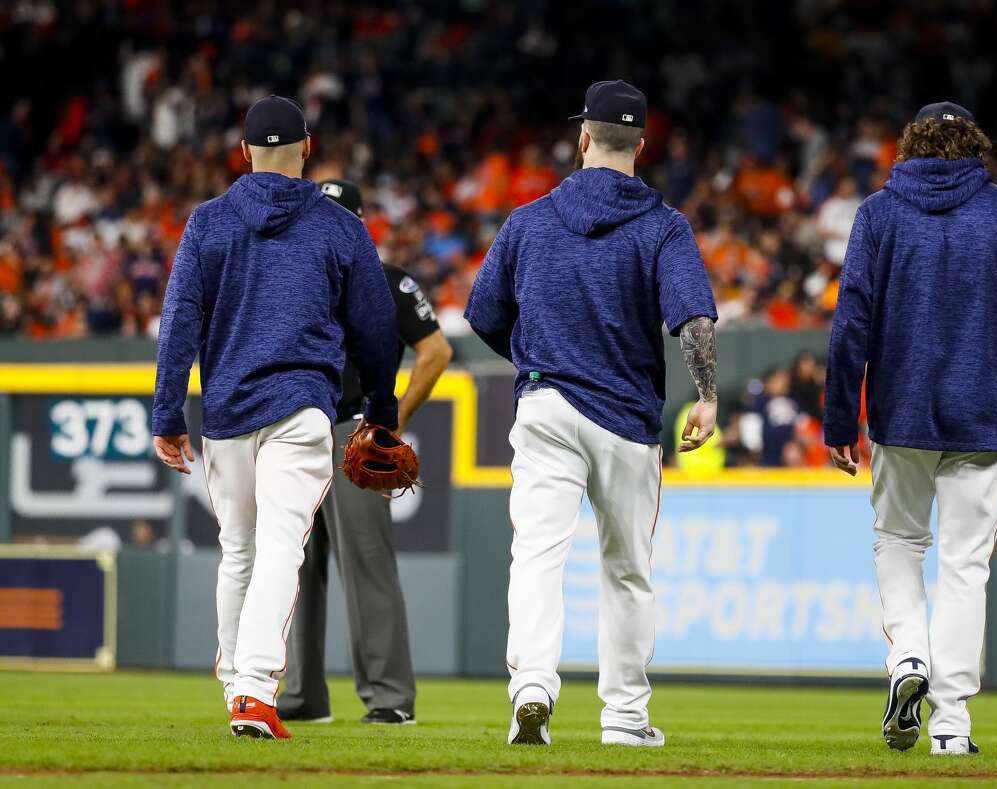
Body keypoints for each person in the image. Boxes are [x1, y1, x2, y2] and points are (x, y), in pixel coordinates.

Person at [465, 80, 718, 748]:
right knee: (627, 571)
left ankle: (532, 690)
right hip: (626, 418)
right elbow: (692, 319)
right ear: (640, 143)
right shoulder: (664, 224)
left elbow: (483, 312)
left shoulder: (530, 219)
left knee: (537, 557)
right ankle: (626, 718)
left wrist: (533, 353)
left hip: (547, 403)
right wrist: (709, 394)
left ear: (584, 137)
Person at [151, 96, 400, 740]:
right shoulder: (337, 224)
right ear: (307, 148)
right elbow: (377, 326)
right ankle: (253, 692)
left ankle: (242, 684)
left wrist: (167, 412)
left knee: (239, 551)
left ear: (243, 153)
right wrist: (381, 407)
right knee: (278, 549)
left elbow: (179, 323)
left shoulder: (209, 221)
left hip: (228, 410)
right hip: (301, 406)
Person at [823, 102, 997, 756]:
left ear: (913, 146)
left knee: (899, 542)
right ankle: (951, 723)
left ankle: (908, 657)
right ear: (975, 146)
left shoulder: (879, 213)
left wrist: (840, 415)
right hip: (986, 413)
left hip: (902, 412)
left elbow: (851, 323)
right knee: (966, 566)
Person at [278, 179, 453, 726]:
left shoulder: (387, 282)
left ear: (356, 223)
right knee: (293, 569)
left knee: (367, 567)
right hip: (297, 428)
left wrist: (390, 421)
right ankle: (302, 696)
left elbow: (436, 351)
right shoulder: (296, 282)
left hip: (352, 430)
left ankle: (389, 698)